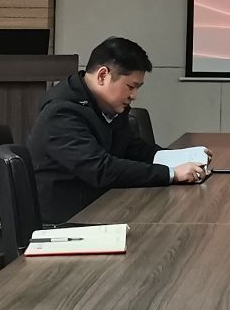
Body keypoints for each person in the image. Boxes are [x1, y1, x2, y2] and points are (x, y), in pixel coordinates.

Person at [28, 36, 208, 225]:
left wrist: (183, 160)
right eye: (130, 86)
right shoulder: (61, 112)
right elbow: (100, 169)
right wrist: (171, 174)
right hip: (68, 221)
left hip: (104, 206)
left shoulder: (107, 105)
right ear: (102, 75)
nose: (134, 96)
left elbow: (134, 150)